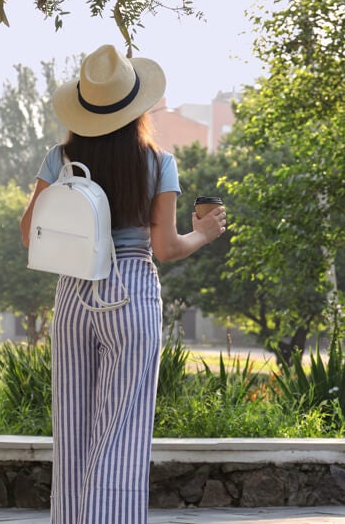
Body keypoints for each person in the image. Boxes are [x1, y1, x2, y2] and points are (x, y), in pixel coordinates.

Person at [20, 44, 226, 523]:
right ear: (136, 106)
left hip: (74, 293)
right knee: (122, 432)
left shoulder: (60, 158)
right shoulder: (158, 162)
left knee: (71, 431)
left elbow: (29, 233)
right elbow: (167, 247)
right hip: (131, 291)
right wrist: (205, 232)